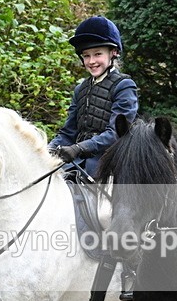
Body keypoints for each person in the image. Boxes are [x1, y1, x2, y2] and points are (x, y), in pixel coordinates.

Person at [48, 16, 139, 179]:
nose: (91, 61)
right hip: (76, 162)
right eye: (86, 56)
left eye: (97, 54)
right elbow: (68, 132)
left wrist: (78, 148)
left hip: (109, 164)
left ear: (113, 53)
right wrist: (45, 151)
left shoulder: (124, 86)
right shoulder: (80, 89)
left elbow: (116, 133)